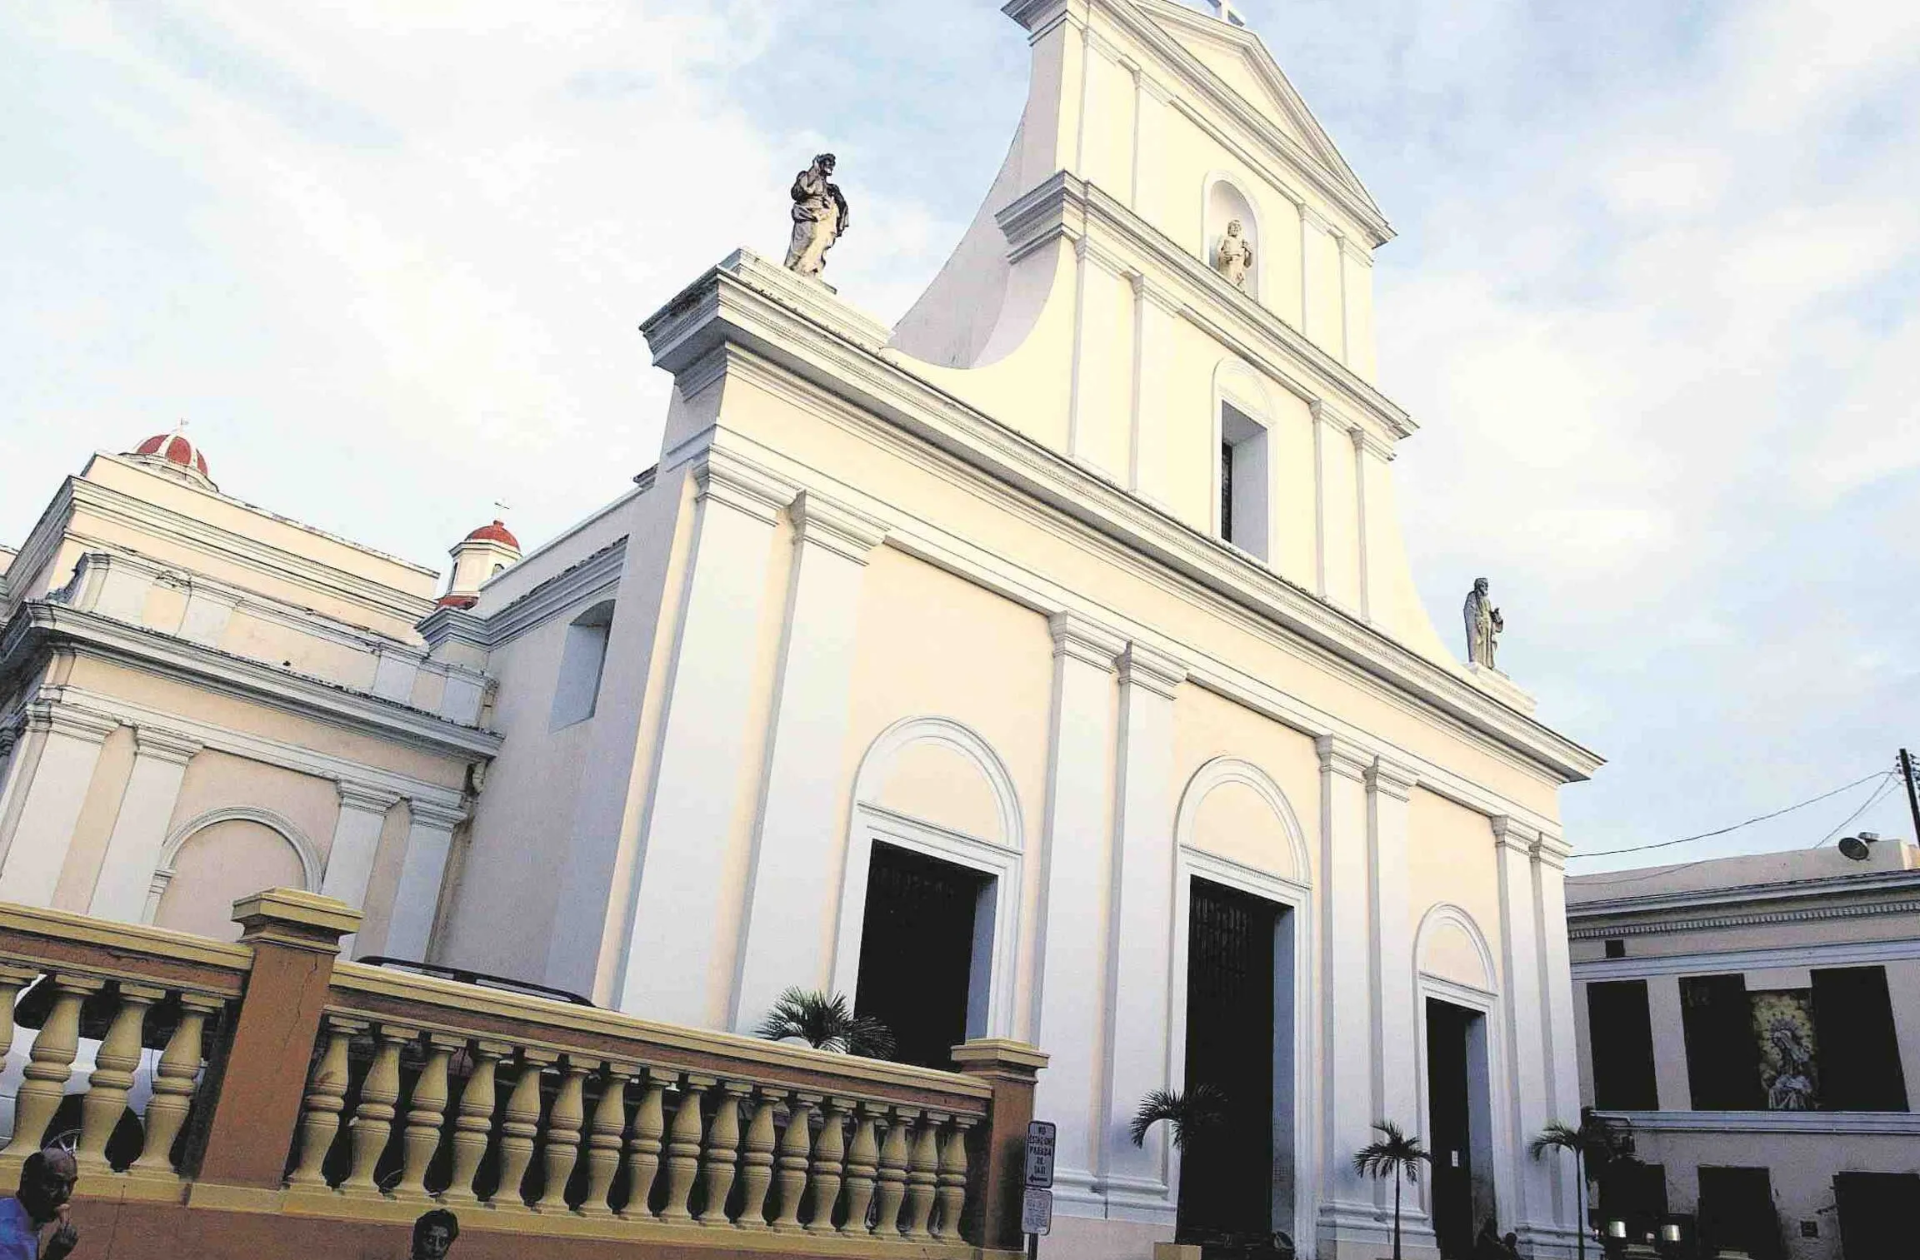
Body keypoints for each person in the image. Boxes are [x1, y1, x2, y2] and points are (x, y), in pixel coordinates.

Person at [0, 1147, 79, 1260]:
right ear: (27, 1178)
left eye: (70, 1184)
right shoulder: (8, 1239)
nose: (64, 1194)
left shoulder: (15, 1210)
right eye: (53, 1183)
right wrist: (52, 1257)